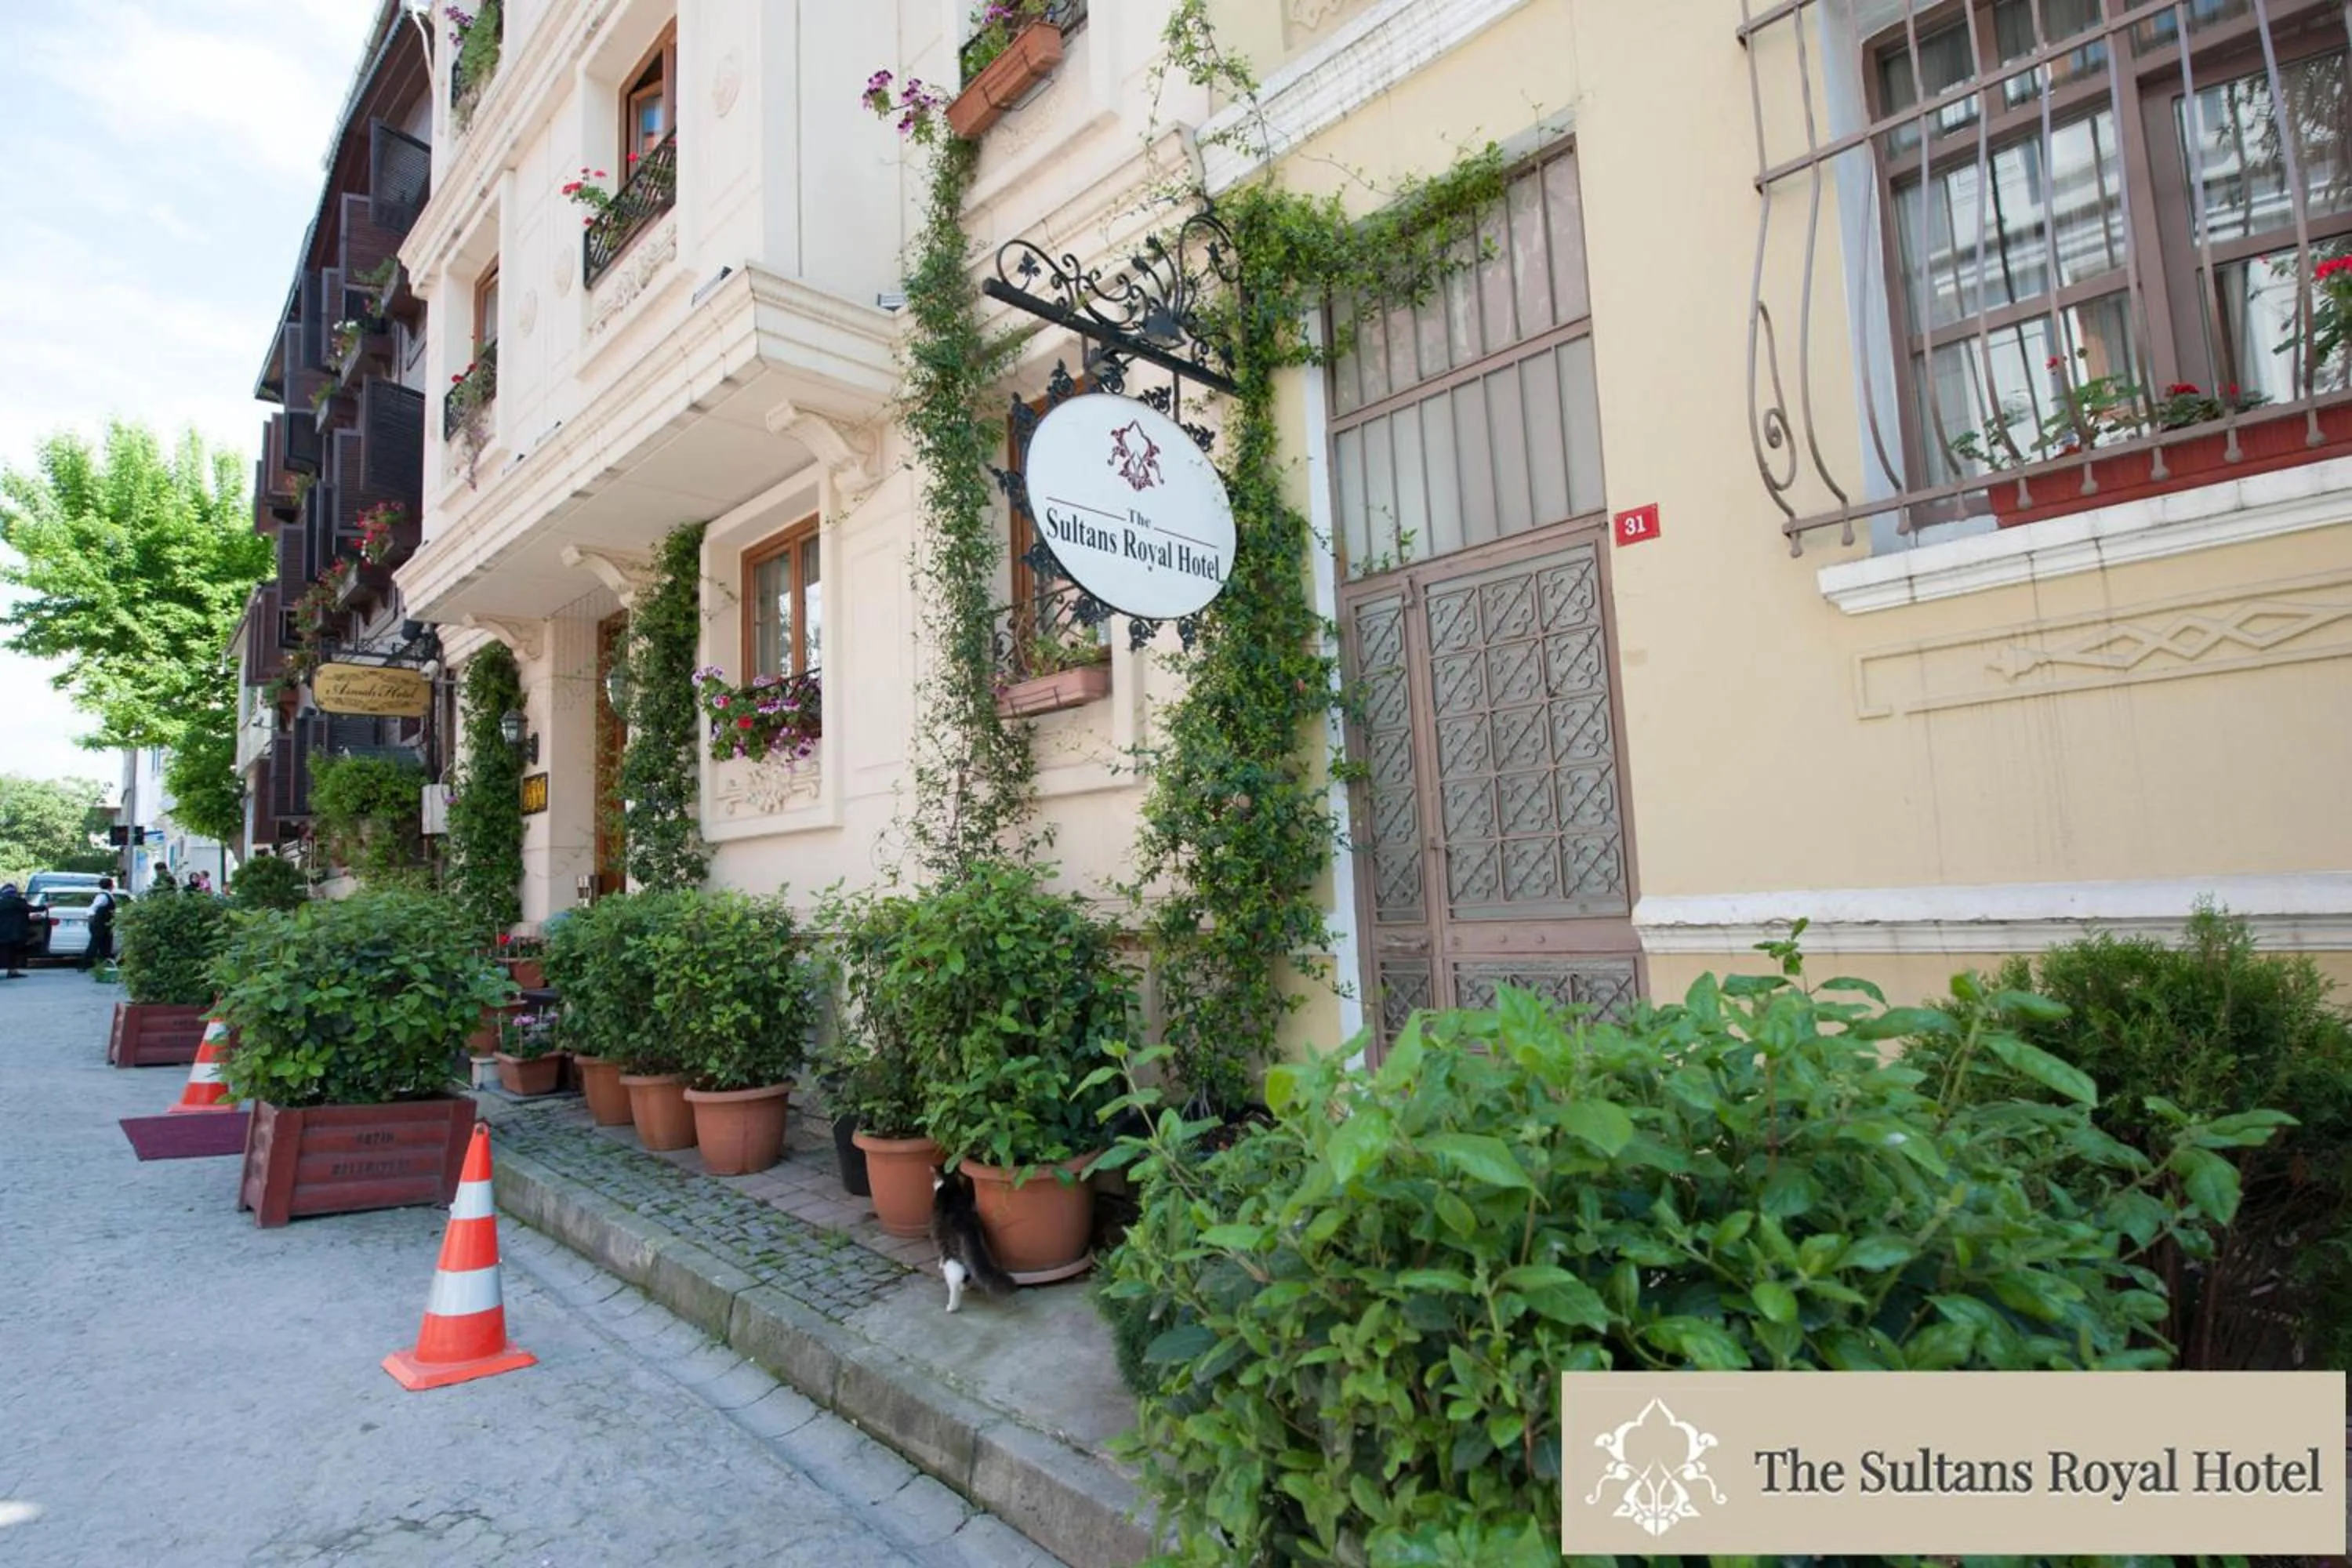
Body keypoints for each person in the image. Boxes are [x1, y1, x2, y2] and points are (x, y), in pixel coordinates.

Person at [81, 877, 117, 971]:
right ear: (111, 886)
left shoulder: (106, 895)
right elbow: (93, 908)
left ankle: (104, 964)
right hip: (99, 923)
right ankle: (85, 964)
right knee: (95, 944)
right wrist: (94, 918)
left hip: (103, 923)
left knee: (105, 944)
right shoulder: (103, 897)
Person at [0, 883, 28, 979]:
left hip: (2, 932)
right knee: (13, 952)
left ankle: (12, 971)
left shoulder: (1, 903)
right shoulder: (18, 902)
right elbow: (29, 908)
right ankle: (12, 971)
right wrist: (45, 906)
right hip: (13, 933)